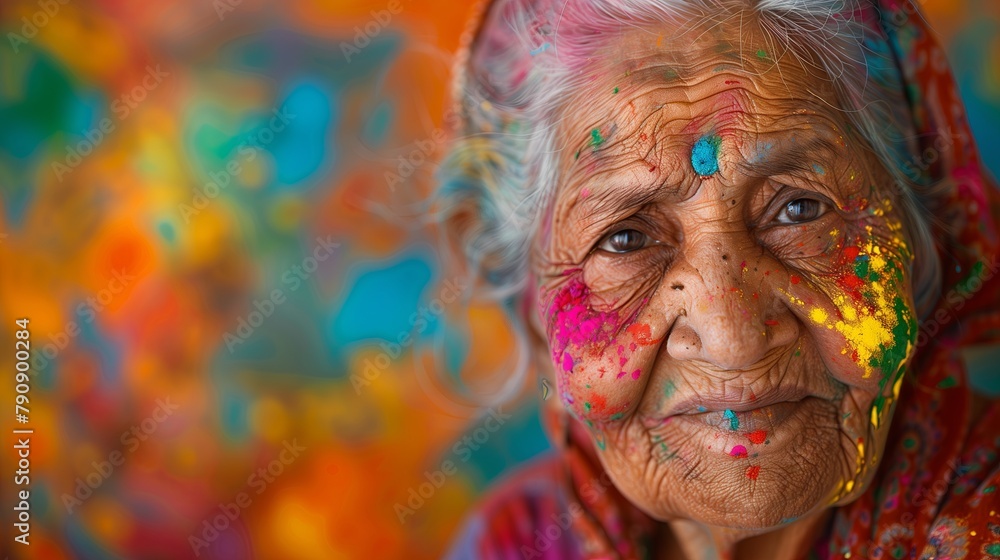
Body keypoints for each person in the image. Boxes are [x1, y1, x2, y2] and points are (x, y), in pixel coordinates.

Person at [437, 0, 1000, 557]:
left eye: (800, 210)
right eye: (626, 239)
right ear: (534, 318)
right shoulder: (519, 539)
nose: (735, 339)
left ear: (922, 250)